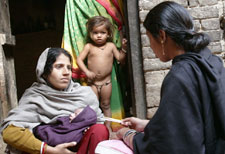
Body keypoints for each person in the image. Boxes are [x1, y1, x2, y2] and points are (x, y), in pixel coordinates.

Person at [96, 1, 225, 154]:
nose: (150, 46)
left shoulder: (180, 76)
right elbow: (192, 120)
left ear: (162, 36)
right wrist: (148, 125)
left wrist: (128, 135)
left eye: (150, 38)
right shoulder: (211, 61)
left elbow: (168, 145)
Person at [0, 48, 109, 154]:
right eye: (59, 67)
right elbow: (10, 131)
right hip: (49, 151)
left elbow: (99, 123)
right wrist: (51, 151)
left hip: (81, 150)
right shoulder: (35, 96)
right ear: (45, 72)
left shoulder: (84, 94)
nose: (66, 72)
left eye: (69, 67)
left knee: (99, 130)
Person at [76, 16, 127, 133]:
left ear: (108, 34)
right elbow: (79, 60)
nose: (99, 35)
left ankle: (108, 127)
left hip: (106, 83)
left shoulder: (111, 46)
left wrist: (124, 49)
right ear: (90, 34)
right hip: (93, 83)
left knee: (106, 105)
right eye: (95, 32)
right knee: (93, 106)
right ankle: (96, 128)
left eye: (102, 32)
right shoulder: (89, 47)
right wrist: (87, 72)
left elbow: (119, 59)